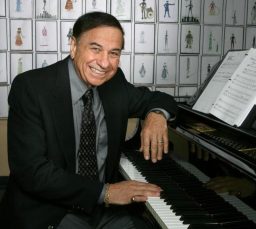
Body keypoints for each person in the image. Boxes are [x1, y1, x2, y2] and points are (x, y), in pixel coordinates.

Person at [0, 11, 177, 229]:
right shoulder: (31, 87)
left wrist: (157, 115)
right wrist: (107, 192)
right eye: (95, 49)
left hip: (103, 210)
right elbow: (32, 172)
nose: (104, 63)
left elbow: (159, 99)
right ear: (73, 46)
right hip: (50, 211)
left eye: (114, 53)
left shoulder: (115, 83)